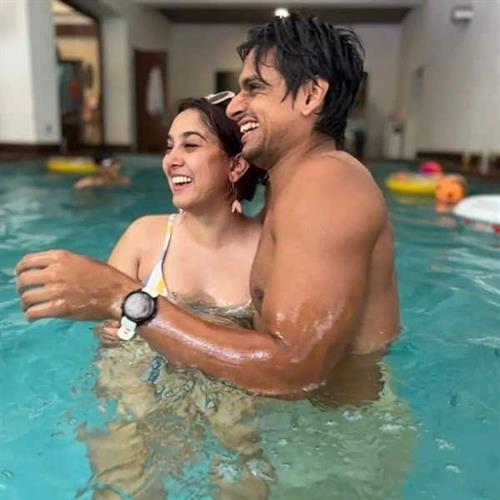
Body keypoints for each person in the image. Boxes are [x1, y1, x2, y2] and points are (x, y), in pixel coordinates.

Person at [16, 12, 400, 401]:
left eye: (254, 87)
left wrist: (123, 298)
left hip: (345, 431)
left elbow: (293, 370)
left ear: (311, 95)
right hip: (317, 422)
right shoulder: (290, 193)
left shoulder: (326, 184)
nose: (234, 107)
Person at [82, 94, 266, 498]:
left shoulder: (267, 251)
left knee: (241, 454)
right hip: (143, 389)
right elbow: (106, 334)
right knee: (123, 463)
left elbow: (280, 353)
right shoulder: (144, 237)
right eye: (169, 147)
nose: (171, 160)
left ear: (236, 165)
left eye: (191, 145)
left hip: (230, 397)